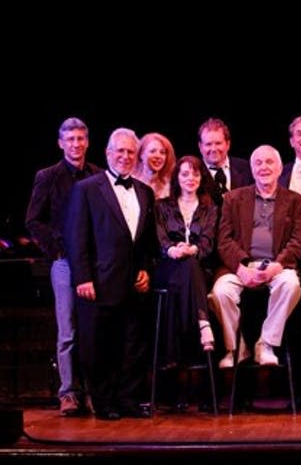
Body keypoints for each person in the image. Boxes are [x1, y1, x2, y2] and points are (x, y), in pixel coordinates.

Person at [64, 128, 157, 420]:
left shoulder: (145, 191)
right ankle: (104, 403)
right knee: (99, 345)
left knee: (132, 345)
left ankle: (128, 401)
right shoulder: (88, 189)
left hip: (133, 283)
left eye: (131, 152)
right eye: (120, 151)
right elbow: (76, 237)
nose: (126, 157)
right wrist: (82, 277)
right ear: (108, 153)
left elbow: (145, 239)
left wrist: (145, 268)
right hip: (99, 282)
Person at [25, 117, 100, 416]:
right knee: (68, 329)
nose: (76, 144)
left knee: (92, 329)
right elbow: (33, 220)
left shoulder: (97, 175)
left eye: (81, 138)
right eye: (70, 139)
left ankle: (94, 390)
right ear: (60, 143)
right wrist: (57, 247)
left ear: (88, 142)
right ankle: (68, 392)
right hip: (65, 263)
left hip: (94, 264)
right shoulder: (48, 177)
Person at [210, 145, 301, 369]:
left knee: (291, 285)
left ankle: (266, 343)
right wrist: (242, 267)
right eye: (258, 163)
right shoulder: (232, 199)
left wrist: (278, 265)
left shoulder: (296, 201)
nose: (264, 167)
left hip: (277, 266)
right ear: (251, 169)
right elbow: (224, 240)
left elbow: (297, 242)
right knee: (220, 292)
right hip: (240, 267)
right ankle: (236, 347)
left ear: (280, 168)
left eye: (269, 162)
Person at [154, 155, 218, 363]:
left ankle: (175, 353)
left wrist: (193, 250)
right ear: (177, 178)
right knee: (184, 267)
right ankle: (203, 322)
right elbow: (160, 237)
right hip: (168, 266)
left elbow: (208, 242)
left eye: (195, 173)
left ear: (201, 178)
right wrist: (172, 250)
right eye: (185, 173)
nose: (190, 178)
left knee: (190, 264)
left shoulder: (210, 208)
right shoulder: (162, 206)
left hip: (200, 268)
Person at [197, 117, 253, 206]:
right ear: (200, 147)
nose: (213, 149)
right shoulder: (194, 172)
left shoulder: (246, 168)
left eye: (218, 143)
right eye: (208, 144)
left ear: (228, 144)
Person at [133, 132, 176, 200]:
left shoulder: (168, 187)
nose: (158, 156)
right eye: (152, 151)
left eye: (162, 152)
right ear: (141, 154)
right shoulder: (131, 183)